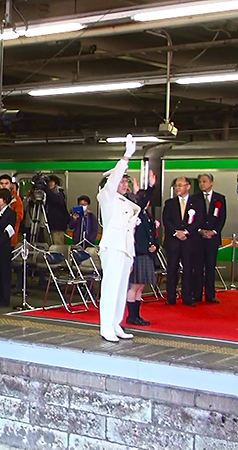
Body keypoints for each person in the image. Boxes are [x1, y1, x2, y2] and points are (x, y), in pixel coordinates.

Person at [97, 135, 142, 342]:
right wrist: (125, 157)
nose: (124, 183)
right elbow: (113, 180)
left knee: (122, 287)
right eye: (122, 179)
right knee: (110, 286)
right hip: (112, 247)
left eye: (126, 180)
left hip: (125, 249)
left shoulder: (126, 202)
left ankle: (116, 323)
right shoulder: (106, 197)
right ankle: (105, 326)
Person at [162, 176, 205, 307]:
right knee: (172, 269)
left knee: (188, 269)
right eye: (176, 186)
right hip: (173, 241)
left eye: (180, 185)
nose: (178, 188)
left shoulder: (197, 202)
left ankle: (187, 296)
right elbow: (166, 220)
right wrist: (176, 232)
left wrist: (186, 232)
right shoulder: (169, 203)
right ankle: (171, 296)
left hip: (190, 242)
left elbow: (199, 220)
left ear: (188, 186)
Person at [126, 181, 157, 326]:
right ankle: (131, 315)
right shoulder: (135, 213)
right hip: (137, 254)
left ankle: (137, 315)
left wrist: (154, 245)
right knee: (134, 285)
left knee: (140, 286)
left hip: (146, 253)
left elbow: (151, 233)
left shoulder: (147, 215)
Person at [194, 173, 226, 304]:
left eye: (204, 181)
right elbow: (193, 218)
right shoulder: (194, 198)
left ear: (211, 183)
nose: (202, 184)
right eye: (200, 182)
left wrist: (214, 231)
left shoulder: (220, 198)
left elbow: (222, 218)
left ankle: (210, 295)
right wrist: (200, 230)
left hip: (212, 239)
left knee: (210, 267)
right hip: (199, 238)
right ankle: (196, 294)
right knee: (198, 267)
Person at [0, 174, 25, 248]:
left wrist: (6, 221)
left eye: (6, 183)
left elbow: (20, 216)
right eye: (1, 183)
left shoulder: (16, 199)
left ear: (10, 184)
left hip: (10, 236)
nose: (4, 186)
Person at [42, 175, 70, 245]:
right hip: (48, 225)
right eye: (48, 182)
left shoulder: (59, 193)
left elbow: (55, 199)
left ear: (56, 183)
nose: (49, 184)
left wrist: (45, 189)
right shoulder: (45, 195)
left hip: (58, 227)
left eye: (52, 182)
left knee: (58, 247)